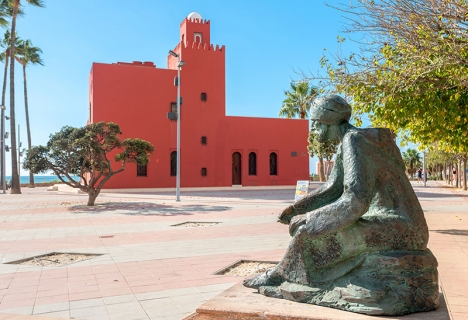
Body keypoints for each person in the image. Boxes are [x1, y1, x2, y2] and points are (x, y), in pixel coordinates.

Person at [244, 95, 437, 315]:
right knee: (310, 230)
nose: (314, 130)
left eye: (316, 124)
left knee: (308, 233)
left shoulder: (355, 140)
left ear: (327, 123)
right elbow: (333, 188)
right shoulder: (353, 140)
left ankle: (282, 278)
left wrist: (310, 219)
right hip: (402, 226)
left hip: (401, 229)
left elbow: (355, 201)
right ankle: (284, 276)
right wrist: (297, 209)